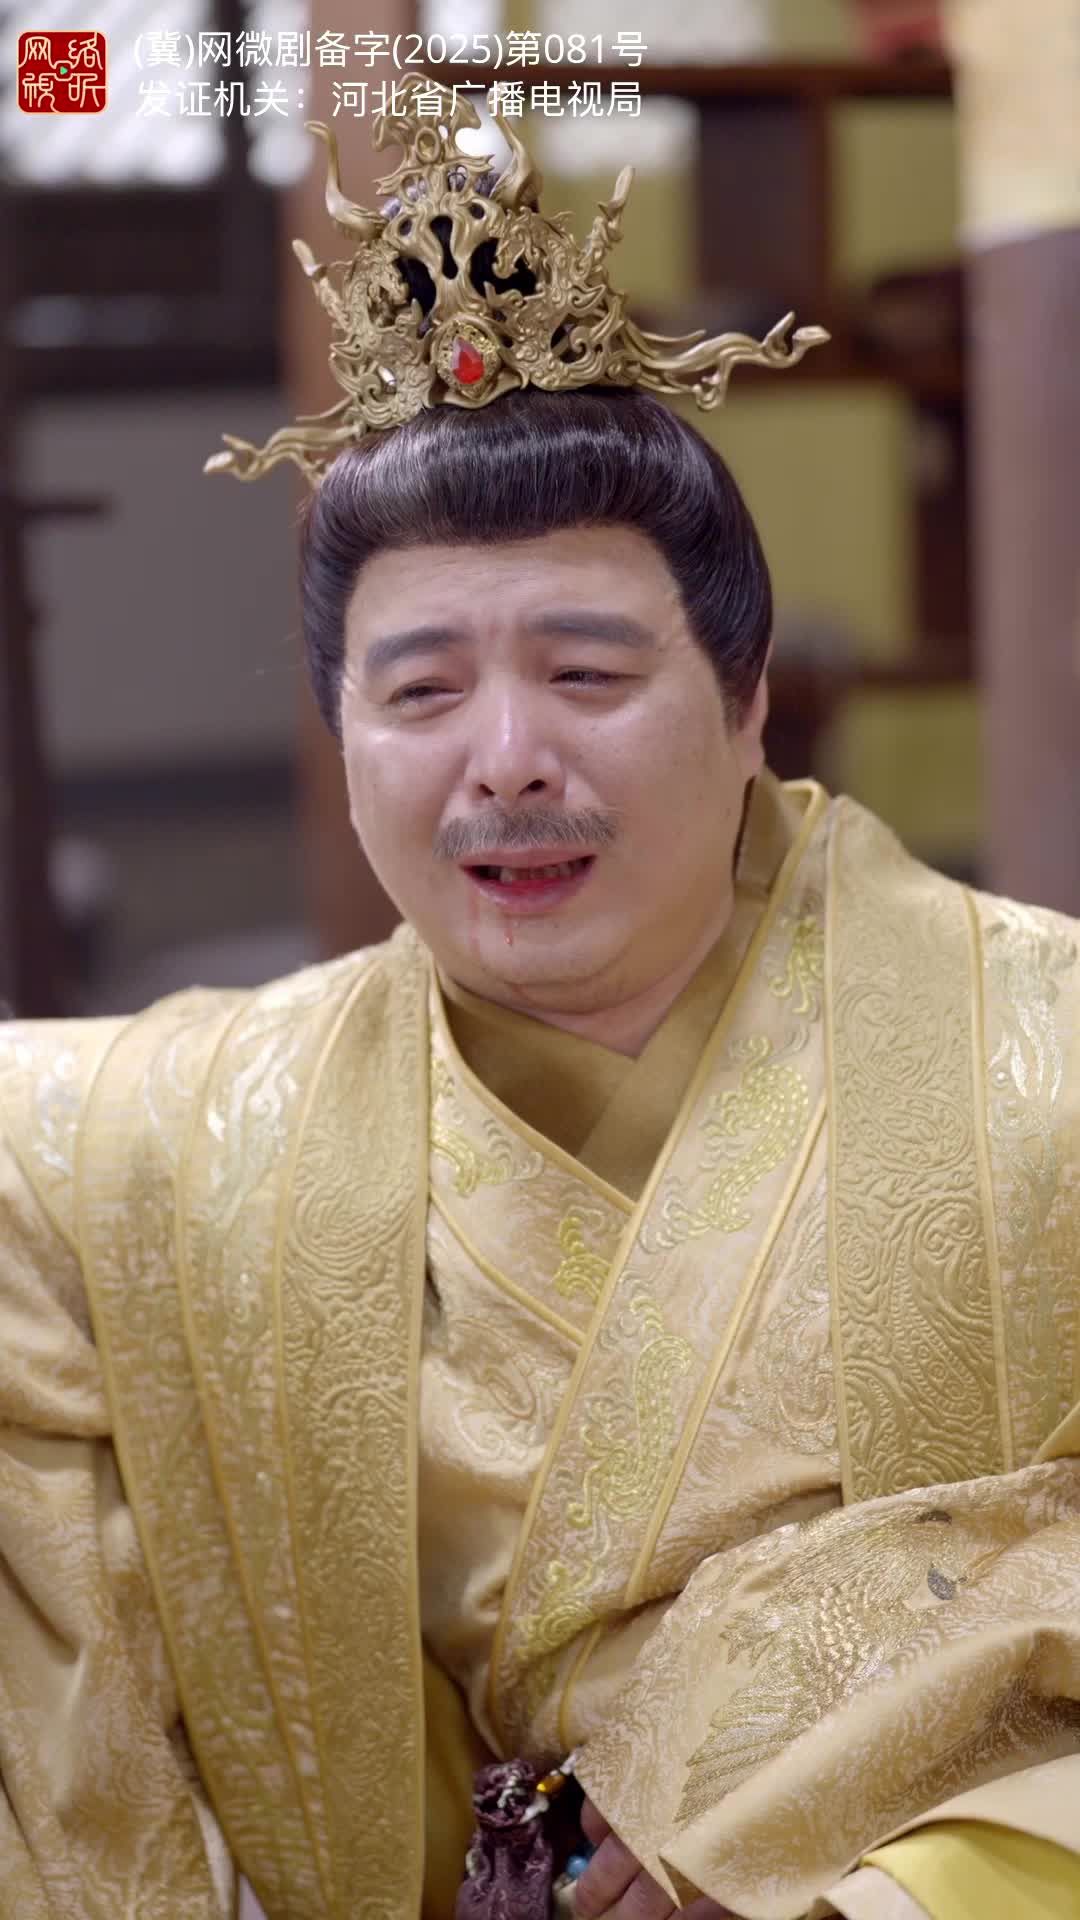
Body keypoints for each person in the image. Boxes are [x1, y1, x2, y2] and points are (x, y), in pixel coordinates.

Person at [2, 75, 1080, 1920]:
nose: (505, 760)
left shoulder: (1042, 1061)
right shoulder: (193, 1137)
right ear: (342, 741)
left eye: (586, 672)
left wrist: (830, 1820)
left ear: (747, 699)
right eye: (421, 693)